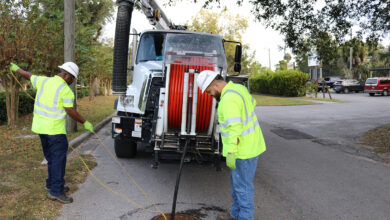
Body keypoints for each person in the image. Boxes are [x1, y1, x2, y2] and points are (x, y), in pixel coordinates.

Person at [10, 62, 94, 204]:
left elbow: (27, 75)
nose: (72, 82)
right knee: (58, 161)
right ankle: (56, 192)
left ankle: (52, 184)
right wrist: (84, 122)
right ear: (66, 75)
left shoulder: (44, 81)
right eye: (72, 79)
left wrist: (16, 69)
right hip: (55, 132)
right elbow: (70, 111)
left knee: (51, 158)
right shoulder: (66, 91)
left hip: (41, 129)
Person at [196, 70, 266, 220]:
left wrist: (231, 152)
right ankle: (235, 215)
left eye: (209, 91)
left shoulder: (227, 100)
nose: (209, 95)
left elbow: (234, 129)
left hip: (243, 151)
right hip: (251, 146)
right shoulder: (239, 88)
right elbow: (252, 104)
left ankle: (245, 218)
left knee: (243, 188)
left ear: (215, 84)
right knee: (238, 186)